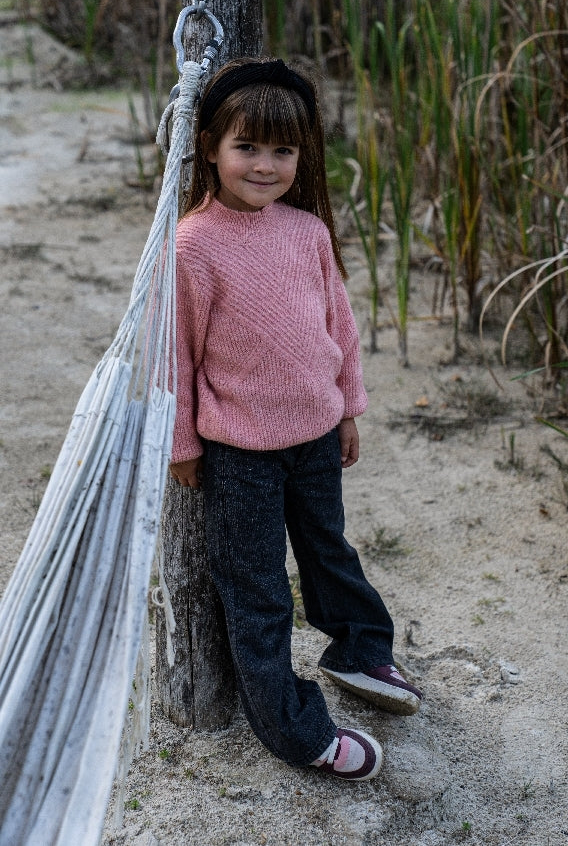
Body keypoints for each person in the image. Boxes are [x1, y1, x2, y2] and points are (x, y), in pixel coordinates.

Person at [168, 57, 422, 781]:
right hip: (238, 451)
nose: (265, 165)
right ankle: (295, 729)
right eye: (247, 146)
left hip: (315, 436)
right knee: (258, 590)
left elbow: (338, 328)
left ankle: (359, 648)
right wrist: (184, 444)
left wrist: (347, 410)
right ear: (210, 147)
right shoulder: (192, 245)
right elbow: (175, 355)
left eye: (283, 150)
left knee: (330, 550)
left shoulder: (307, 231)